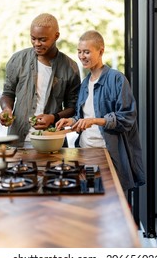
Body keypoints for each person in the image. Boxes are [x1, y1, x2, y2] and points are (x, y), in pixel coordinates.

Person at [56, 30, 145, 195]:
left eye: (87, 52)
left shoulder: (117, 79)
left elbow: (127, 118)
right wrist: (71, 121)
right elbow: (83, 117)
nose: (82, 56)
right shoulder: (84, 84)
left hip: (108, 156)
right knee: (89, 201)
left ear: (101, 51)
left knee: (112, 205)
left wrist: (95, 120)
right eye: (80, 52)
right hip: (85, 152)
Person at [0, 13, 81, 147]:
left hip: (53, 141)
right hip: (18, 140)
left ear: (56, 36)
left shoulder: (70, 67)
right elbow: (8, 93)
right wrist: (6, 109)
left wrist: (53, 117)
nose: (37, 43)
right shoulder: (18, 60)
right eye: (33, 38)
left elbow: (73, 107)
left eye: (42, 39)